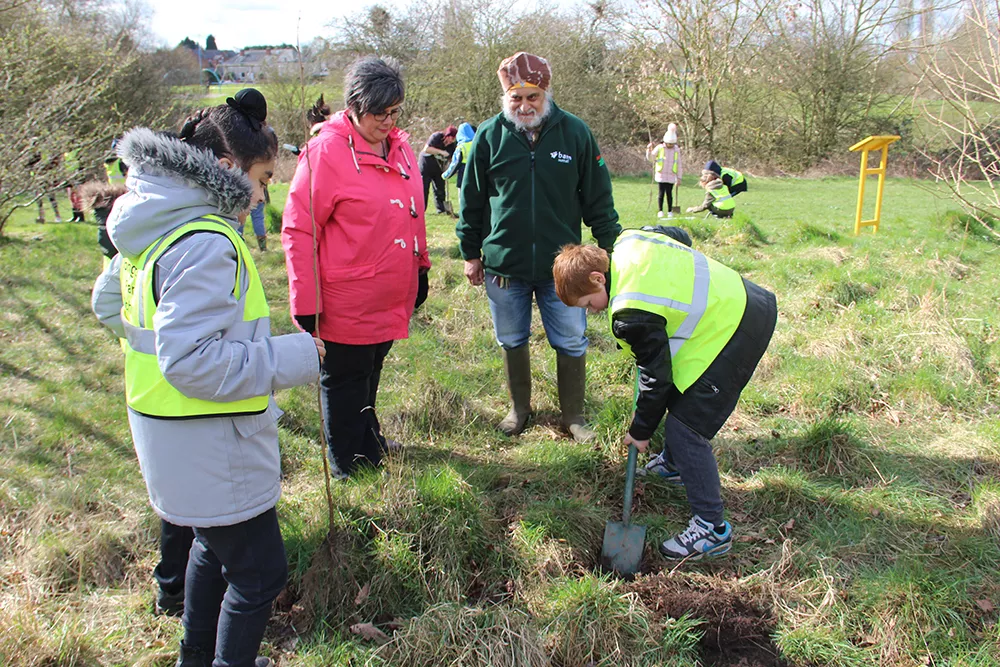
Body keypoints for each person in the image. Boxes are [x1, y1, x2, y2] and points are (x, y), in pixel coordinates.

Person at [91, 89, 323, 667]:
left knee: (209, 547)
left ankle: (195, 658)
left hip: (165, 428)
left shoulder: (149, 226)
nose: (264, 196)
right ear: (226, 169)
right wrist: (295, 356)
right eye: (264, 179)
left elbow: (107, 307)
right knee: (260, 574)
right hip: (213, 438)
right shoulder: (206, 241)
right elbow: (194, 362)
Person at [551, 226, 777, 560]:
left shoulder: (629, 313)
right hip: (740, 298)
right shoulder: (631, 240)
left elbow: (657, 379)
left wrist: (640, 432)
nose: (591, 311)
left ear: (599, 278)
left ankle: (711, 529)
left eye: (587, 303)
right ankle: (672, 465)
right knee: (682, 391)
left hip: (738, 326)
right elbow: (681, 236)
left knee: (686, 428)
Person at [456, 51, 621, 443]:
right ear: (505, 98)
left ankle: (574, 417)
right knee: (511, 338)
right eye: (517, 97)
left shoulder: (575, 133)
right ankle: (519, 409)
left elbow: (599, 200)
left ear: (546, 93)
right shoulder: (489, 136)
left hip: (561, 266)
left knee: (569, 338)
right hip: (504, 265)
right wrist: (471, 252)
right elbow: (472, 200)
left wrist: (614, 250)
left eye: (533, 96)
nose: (525, 105)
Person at [282, 56, 430, 478]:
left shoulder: (399, 147)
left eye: (394, 111)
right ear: (353, 106)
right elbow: (299, 229)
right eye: (378, 113)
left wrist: (420, 267)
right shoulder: (325, 152)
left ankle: (369, 439)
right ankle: (348, 463)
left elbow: (413, 213)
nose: (388, 121)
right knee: (345, 377)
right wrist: (305, 302)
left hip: (389, 291)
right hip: (344, 298)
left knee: (371, 368)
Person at [646, 123, 682, 219]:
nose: (670, 145)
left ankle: (670, 211)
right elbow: (651, 158)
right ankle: (660, 210)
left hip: (671, 176)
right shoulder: (659, 148)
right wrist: (649, 150)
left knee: (669, 194)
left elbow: (679, 164)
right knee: (661, 194)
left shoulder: (676, 150)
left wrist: (679, 177)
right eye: (668, 143)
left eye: (672, 144)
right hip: (661, 175)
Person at [419, 124, 457, 215]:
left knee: (440, 188)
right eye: (450, 138)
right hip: (426, 165)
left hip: (439, 167)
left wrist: (448, 170)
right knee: (424, 188)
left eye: (453, 140)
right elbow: (426, 149)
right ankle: (421, 209)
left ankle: (441, 209)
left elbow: (451, 158)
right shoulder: (436, 136)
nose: (450, 141)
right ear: (446, 135)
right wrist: (442, 152)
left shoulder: (452, 145)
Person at [442, 122, 476, 189]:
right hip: (476, 176)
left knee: (463, 198)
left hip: (464, 176)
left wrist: (446, 175)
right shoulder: (477, 144)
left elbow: (456, 163)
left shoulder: (461, 147)